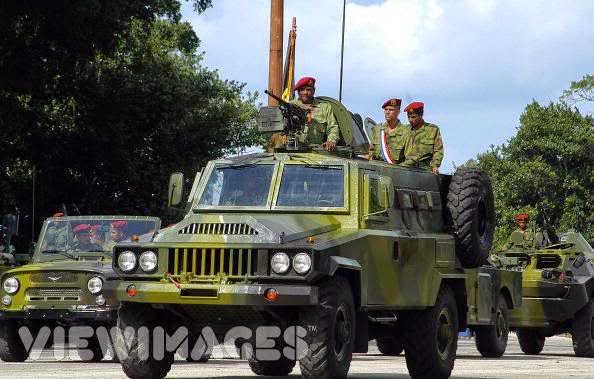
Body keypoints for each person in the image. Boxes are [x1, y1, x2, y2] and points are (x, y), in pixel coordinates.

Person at [290, 77, 340, 151]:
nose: (305, 92)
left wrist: (331, 140)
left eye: (308, 90)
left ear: (314, 91)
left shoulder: (324, 107)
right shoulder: (290, 106)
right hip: (293, 149)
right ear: (298, 92)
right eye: (302, 90)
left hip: (317, 150)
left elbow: (333, 127)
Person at [400, 102, 444, 174]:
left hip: (424, 170)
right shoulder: (404, 130)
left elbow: (438, 150)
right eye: (408, 117)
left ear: (421, 115)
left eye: (413, 117)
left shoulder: (432, 130)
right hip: (405, 169)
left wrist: (435, 165)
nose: (410, 120)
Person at [368, 98, 407, 163]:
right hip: (377, 168)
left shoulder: (406, 132)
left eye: (391, 110)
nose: (387, 112)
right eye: (386, 109)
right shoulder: (378, 129)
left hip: (396, 170)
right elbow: (372, 151)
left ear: (398, 112)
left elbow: (408, 157)